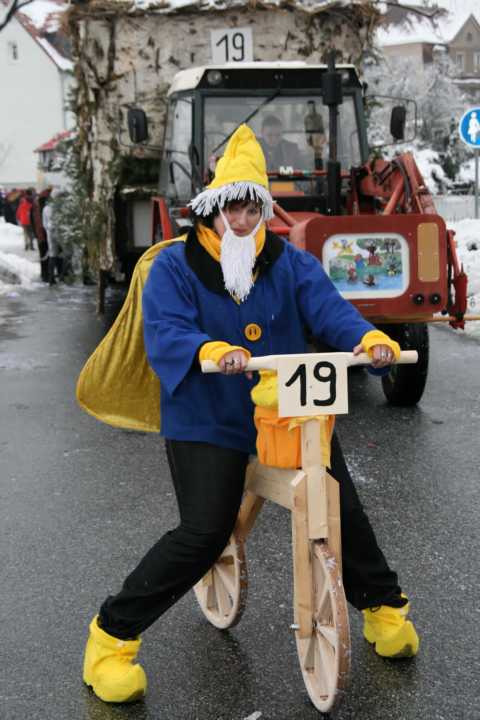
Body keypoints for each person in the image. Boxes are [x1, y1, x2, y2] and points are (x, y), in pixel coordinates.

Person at [80, 125, 419, 705]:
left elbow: (329, 311)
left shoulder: (289, 262)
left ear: (264, 210)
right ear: (212, 208)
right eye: (232, 207)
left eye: (253, 208)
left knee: (340, 504)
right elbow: (166, 330)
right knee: (204, 532)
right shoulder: (174, 267)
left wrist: (368, 340)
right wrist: (210, 351)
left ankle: (384, 609)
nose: (242, 220)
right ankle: (110, 638)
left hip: (285, 411)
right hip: (205, 417)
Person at [42, 189, 64, 285]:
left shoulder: (46, 208)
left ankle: (53, 277)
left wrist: (48, 229)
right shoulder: (58, 208)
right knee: (57, 254)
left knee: (53, 255)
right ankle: (59, 276)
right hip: (56, 233)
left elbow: (44, 223)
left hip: (50, 233)